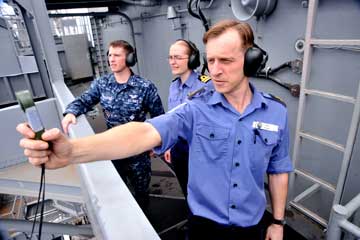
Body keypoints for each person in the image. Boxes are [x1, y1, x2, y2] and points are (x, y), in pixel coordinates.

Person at [18, 20, 292, 240]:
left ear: (252, 60)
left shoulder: (276, 112)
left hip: (252, 225)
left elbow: (278, 169)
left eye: (226, 61)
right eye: (211, 61)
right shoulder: (196, 108)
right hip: (205, 226)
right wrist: (73, 152)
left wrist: (278, 222)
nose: (216, 71)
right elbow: (144, 132)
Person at [61, 40, 165, 211]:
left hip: (138, 152)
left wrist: (156, 144)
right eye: (109, 55)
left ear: (130, 59)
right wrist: (71, 112)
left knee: (141, 193)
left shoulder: (145, 87)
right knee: (118, 190)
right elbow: (85, 100)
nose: (111, 59)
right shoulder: (102, 84)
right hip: (113, 149)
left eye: (117, 55)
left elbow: (159, 118)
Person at [165, 39, 212, 197]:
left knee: (204, 194)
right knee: (186, 190)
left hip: (199, 151)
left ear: (192, 59)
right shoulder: (173, 86)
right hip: (179, 150)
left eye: (178, 57)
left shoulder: (206, 85)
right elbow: (172, 119)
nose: (173, 62)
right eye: (170, 57)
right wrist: (169, 145)